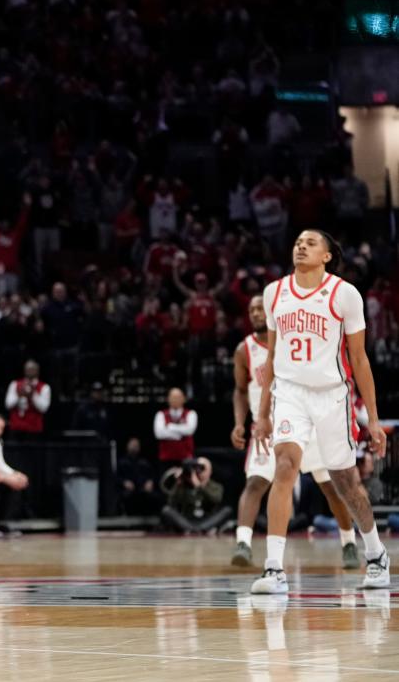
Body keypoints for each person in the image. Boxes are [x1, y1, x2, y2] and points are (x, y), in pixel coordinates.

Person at [251, 230, 390, 593]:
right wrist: (263, 414)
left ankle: (375, 553)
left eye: (311, 243)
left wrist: (373, 417)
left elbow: (359, 358)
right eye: (298, 241)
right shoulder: (274, 293)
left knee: (345, 482)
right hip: (291, 393)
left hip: (332, 395)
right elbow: (271, 356)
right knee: (284, 467)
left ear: (327, 256)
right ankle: (273, 569)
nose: (301, 246)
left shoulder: (345, 294)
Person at [231, 295, 359, 569]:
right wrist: (240, 423)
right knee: (255, 483)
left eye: (259, 308)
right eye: (250, 309)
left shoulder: (294, 343)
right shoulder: (244, 350)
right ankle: (243, 543)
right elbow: (240, 391)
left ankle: (349, 542)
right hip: (268, 428)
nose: (255, 313)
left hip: (305, 422)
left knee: (330, 487)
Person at [161, 457, 230, 534]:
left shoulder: (216, 486)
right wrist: (179, 482)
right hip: (187, 520)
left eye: (202, 468)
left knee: (227, 510)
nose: (198, 471)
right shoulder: (184, 485)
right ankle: (195, 530)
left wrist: (199, 486)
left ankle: (197, 529)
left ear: (210, 471)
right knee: (166, 510)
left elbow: (216, 499)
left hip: (207, 520)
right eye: (196, 467)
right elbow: (171, 502)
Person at [4, 360, 51, 439]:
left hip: (34, 429)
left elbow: (44, 408)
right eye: (28, 369)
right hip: (16, 428)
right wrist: (19, 396)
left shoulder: (44, 387)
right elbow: (8, 405)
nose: (30, 371)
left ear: (37, 371)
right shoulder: (15, 384)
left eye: (32, 369)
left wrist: (32, 396)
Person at [116, 437, 162, 515]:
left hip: (142, 489)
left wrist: (150, 482)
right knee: (126, 496)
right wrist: (124, 482)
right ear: (127, 446)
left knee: (155, 496)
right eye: (132, 445)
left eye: (136, 445)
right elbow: (115, 477)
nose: (134, 447)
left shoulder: (144, 462)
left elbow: (152, 475)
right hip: (128, 490)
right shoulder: (121, 462)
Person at [153, 388, 197, 463]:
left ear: (184, 399)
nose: (175, 400)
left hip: (186, 459)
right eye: (173, 397)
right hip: (166, 459)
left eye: (178, 397)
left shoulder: (191, 414)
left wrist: (170, 426)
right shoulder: (160, 414)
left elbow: (189, 431)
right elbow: (159, 434)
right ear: (168, 399)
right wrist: (179, 435)